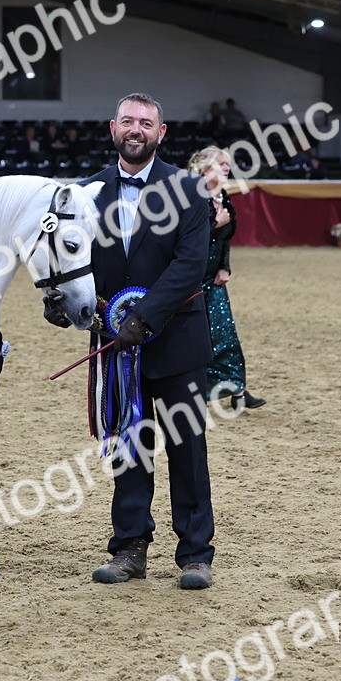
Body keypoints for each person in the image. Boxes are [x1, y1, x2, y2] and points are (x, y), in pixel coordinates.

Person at [49, 92, 215, 590]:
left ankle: (195, 555)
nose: (136, 129)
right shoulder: (84, 194)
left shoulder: (189, 190)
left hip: (177, 341)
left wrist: (144, 316)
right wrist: (62, 301)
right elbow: (68, 258)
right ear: (112, 128)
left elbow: (191, 265)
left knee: (187, 448)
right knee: (128, 447)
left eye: (146, 122)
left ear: (161, 133)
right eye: (128, 121)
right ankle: (129, 549)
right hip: (116, 345)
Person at [187, 146, 265, 411]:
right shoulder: (193, 199)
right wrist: (214, 224)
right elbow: (190, 242)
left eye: (227, 164)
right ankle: (196, 393)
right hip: (192, 281)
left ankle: (238, 391)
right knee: (199, 339)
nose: (226, 168)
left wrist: (225, 267)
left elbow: (226, 241)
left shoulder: (224, 198)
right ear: (203, 168)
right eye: (220, 163)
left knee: (226, 335)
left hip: (214, 279)